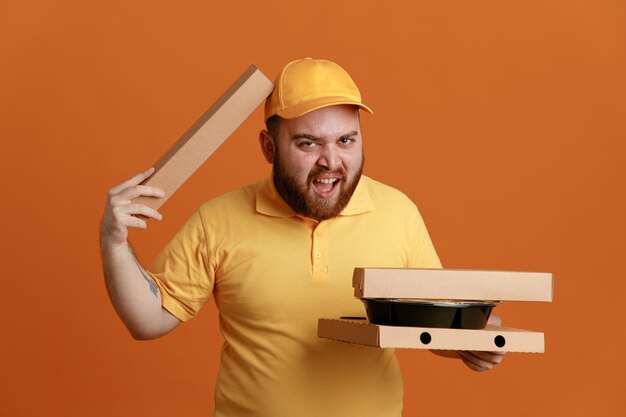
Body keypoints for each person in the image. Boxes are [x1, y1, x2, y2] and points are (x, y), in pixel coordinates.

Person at [100, 58, 504, 417]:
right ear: (269, 147)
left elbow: (427, 320)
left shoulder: (398, 213)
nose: (331, 161)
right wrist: (114, 242)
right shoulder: (218, 220)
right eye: (308, 143)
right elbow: (147, 320)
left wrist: (470, 343)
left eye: (346, 140)